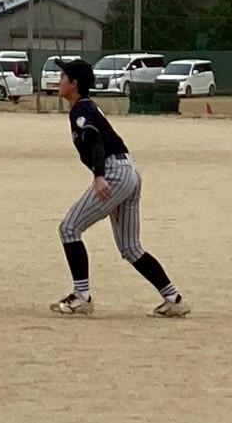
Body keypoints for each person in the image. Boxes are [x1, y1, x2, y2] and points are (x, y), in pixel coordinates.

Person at [50, 58, 190, 318]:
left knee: (69, 228)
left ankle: (81, 296)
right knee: (131, 248)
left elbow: (93, 139)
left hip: (114, 173)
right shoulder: (86, 106)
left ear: (74, 84)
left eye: (63, 77)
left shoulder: (80, 110)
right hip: (129, 172)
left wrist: (99, 175)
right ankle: (173, 299)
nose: (59, 82)